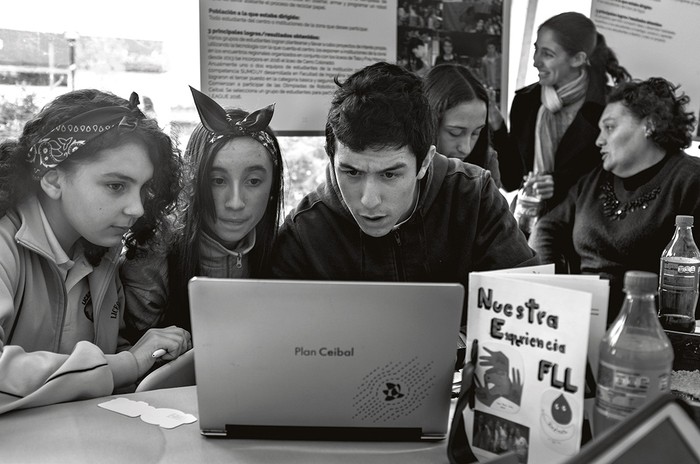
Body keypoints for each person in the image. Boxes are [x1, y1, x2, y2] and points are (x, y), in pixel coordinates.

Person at [270, 62, 538, 328]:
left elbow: (527, 305)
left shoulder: (474, 195)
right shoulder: (304, 232)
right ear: (331, 157)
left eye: (390, 175)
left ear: (424, 162)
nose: (369, 200)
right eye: (352, 172)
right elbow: (280, 341)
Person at [0, 89, 191, 414]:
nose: (137, 208)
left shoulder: (101, 255)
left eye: (143, 188)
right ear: (53, 179)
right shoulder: (5, 245)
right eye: (116, 186)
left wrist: (154, 362)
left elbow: (107, 362)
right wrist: (129, 362)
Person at [530, 77, 700, 322]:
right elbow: (546, 228)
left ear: (649, 125)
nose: (599, 140)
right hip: (577, 320)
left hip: (649, 330)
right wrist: (552, 286)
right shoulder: (592, 181)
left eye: (609, 127)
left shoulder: (690, 181)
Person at [120, 87, 284, 338]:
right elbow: (139, 358)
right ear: (192, 181)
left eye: (253, 181)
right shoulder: (151, 256)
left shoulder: (287, 249)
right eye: (218, 180)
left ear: (272, 186)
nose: (236, 202)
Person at [491, 12, 630, 213]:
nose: (535, 61)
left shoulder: (609, 106)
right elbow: (511, 180)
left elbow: (617, 180)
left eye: (547, 54)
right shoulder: (525, 101)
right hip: (527, 221)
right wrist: (498, 128)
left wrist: (560, 183)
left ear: (578, 59)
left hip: (582, 226)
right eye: (536, 50)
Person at [423, 63, 502, 188]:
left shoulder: (487, 164)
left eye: (476, 133)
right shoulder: (400, 163)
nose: (466, 149)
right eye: (455, 133)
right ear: (428, 123)